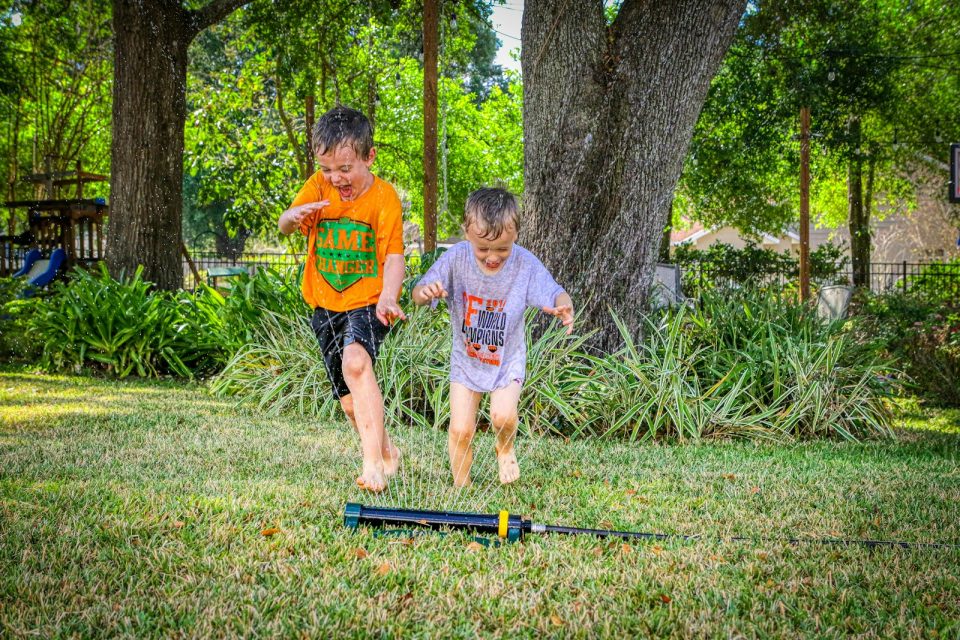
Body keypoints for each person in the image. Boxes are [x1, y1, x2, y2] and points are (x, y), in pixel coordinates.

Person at [278, 106, 405, 493]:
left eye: (345, 169)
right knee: (350, 401)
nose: (336, 178)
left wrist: (388, 296)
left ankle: (372, 467)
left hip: (368, 301)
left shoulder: (384, 199)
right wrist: (293, 216)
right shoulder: (318, 186)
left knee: (356, 364)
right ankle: (386, 453)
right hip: (325, 305)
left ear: (370, 157)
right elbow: (285, 224)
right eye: (328, 168)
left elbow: (395, 257)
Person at [412, 187, 574, 487]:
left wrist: (565, 304)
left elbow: (554, 291)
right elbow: (419, 293)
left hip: (506, 360)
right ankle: (463, 488)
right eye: (483, 249)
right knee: (460, 429)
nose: (492, 257)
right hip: (466, 361)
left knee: (503, 416)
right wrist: (426, 292)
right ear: (467, 233)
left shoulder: (524, 264)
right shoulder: (456, 259)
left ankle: (505, 448)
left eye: (502, 249)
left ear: (515, 237)